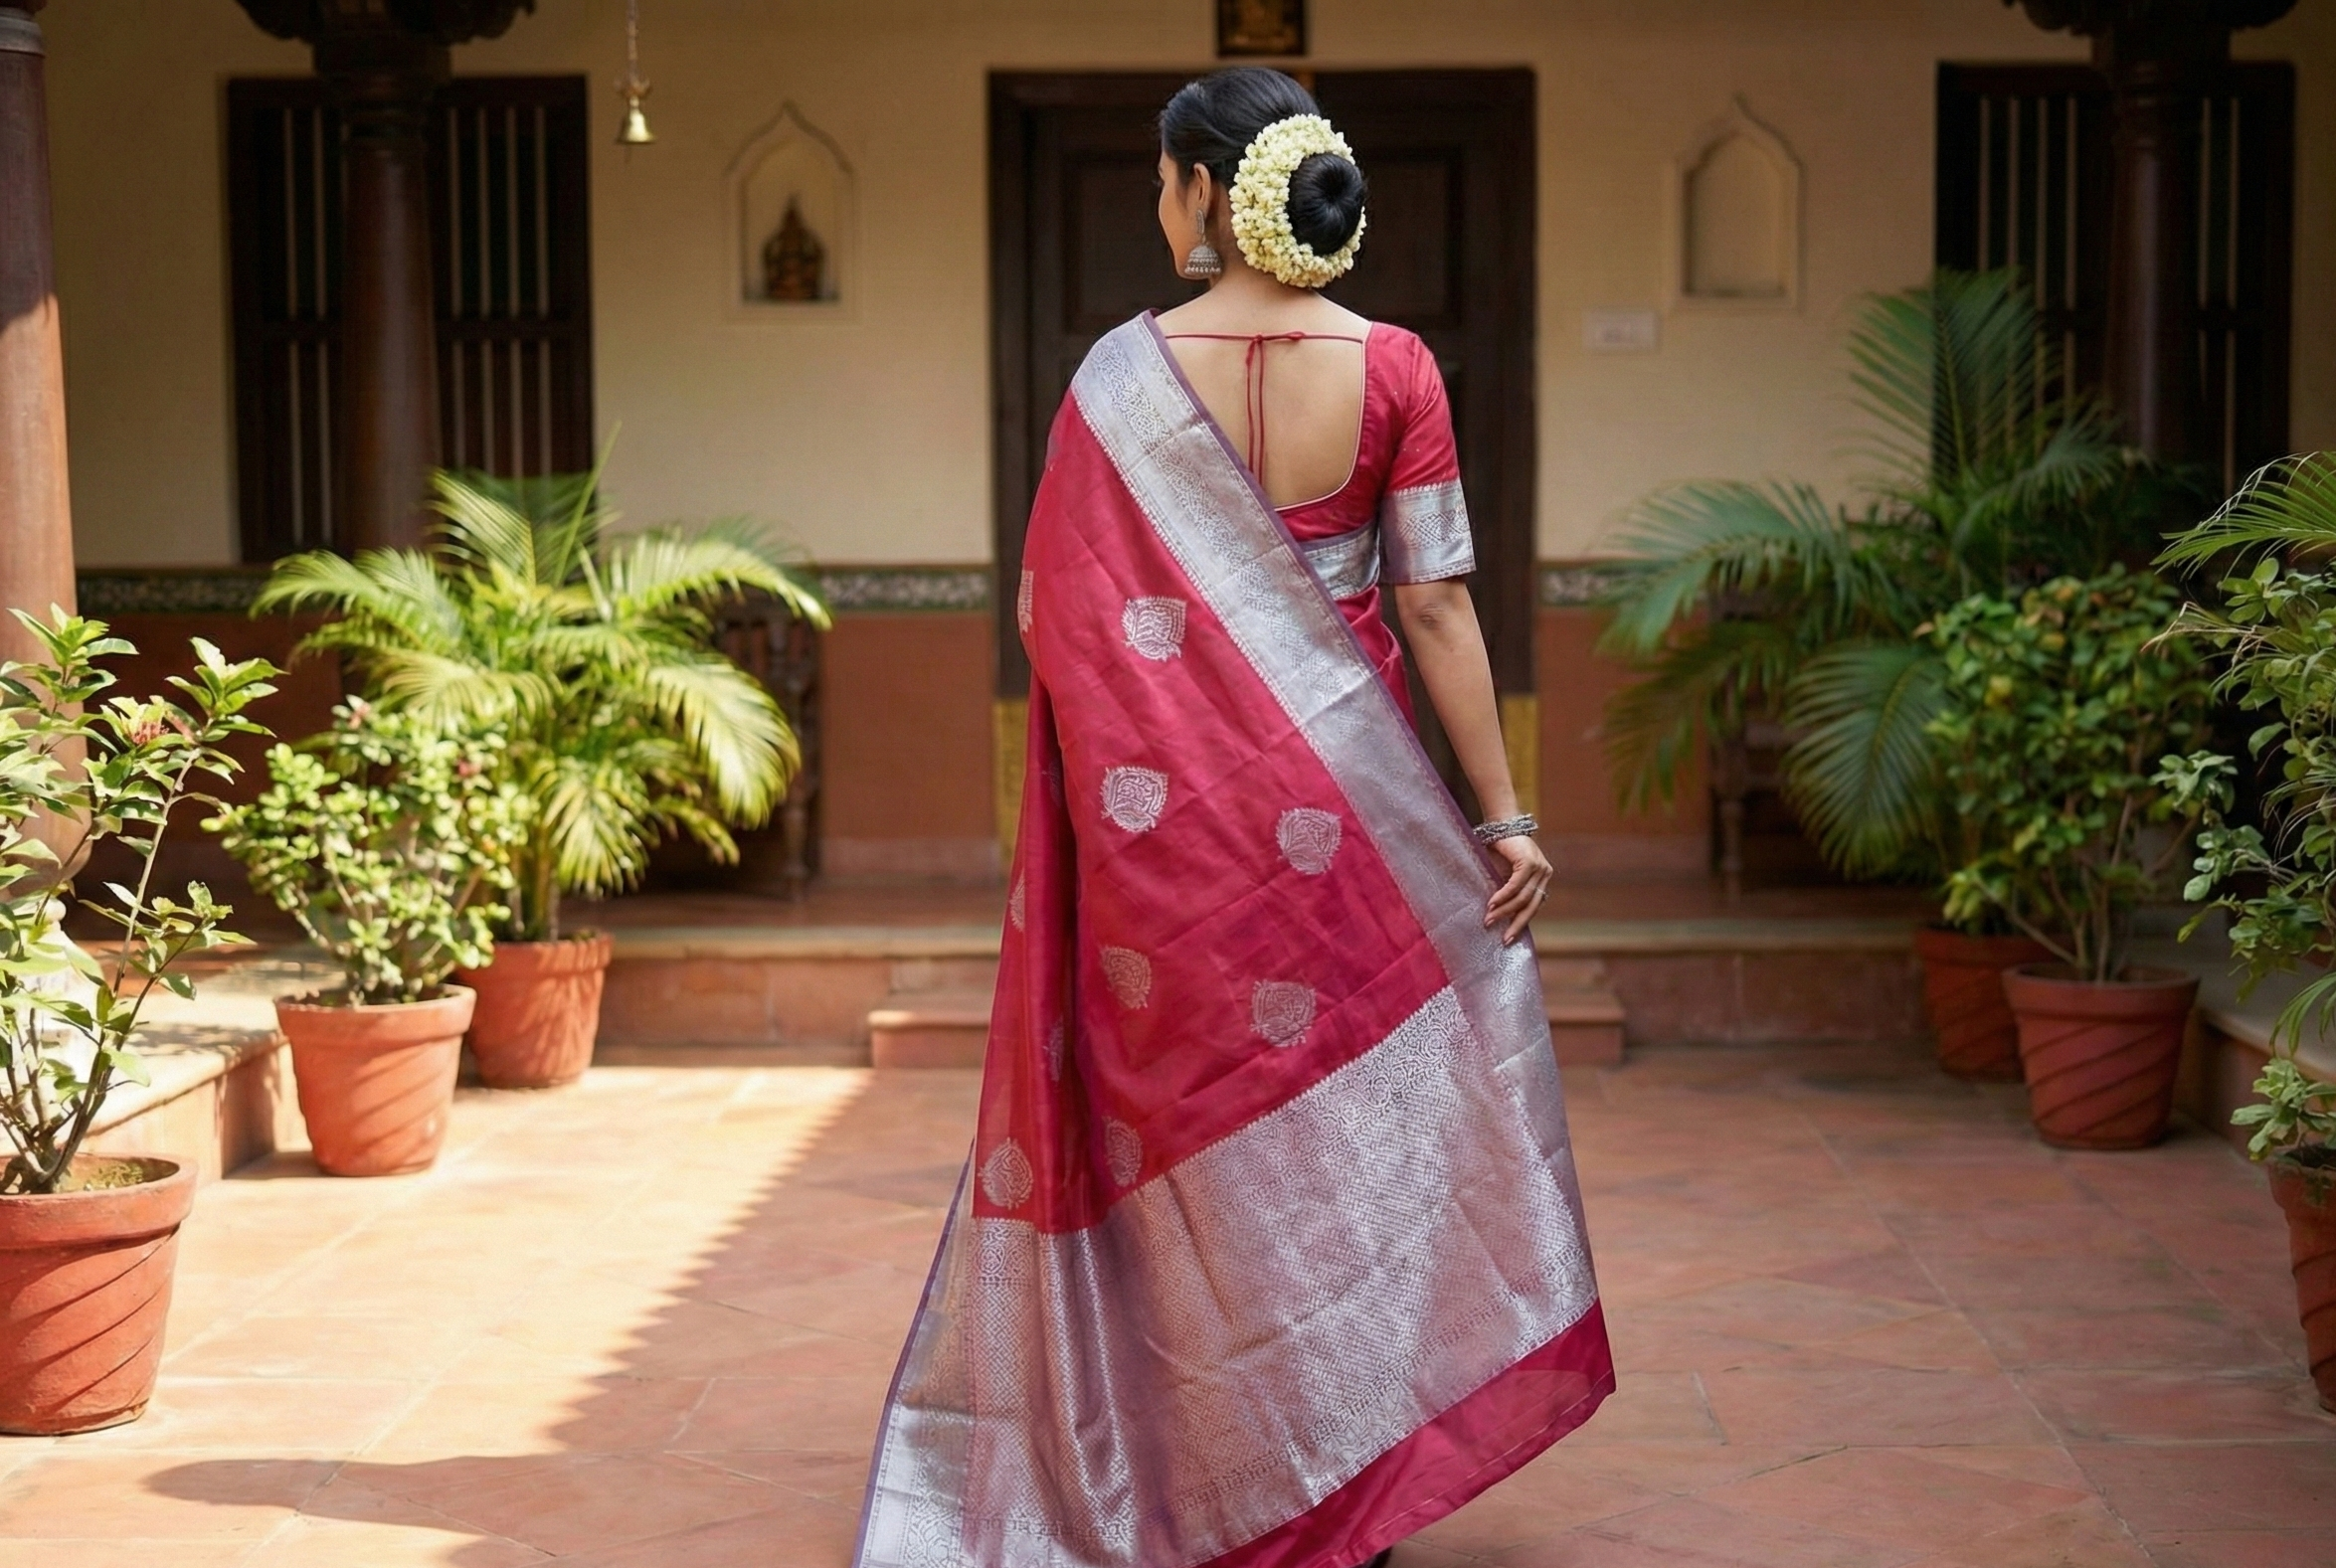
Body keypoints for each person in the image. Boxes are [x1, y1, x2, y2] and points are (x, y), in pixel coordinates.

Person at [852, 67, 1612, 1568]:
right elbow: (1440, 604)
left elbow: (1050, 619)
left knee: (1187, 1145)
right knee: (1351, 1144)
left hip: (1166, 855)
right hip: (1364, 828)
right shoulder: (1397, 369)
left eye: (1161, 179)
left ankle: (1195, 1474)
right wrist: (1508, 818)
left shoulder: (1114, 382)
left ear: (1209, 193)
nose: (1156, 202)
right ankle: (1342, 1484)